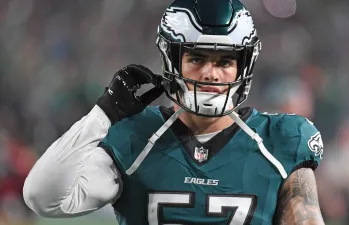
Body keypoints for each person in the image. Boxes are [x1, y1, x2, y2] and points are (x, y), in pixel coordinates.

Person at [23, 0, 325, 224]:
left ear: (242, 66)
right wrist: (103, 115)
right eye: (197, 58)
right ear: (172, 61)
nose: (210, 73)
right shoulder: (136, 137)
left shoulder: (280, 140)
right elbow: (43, 197)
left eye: (224, 62)